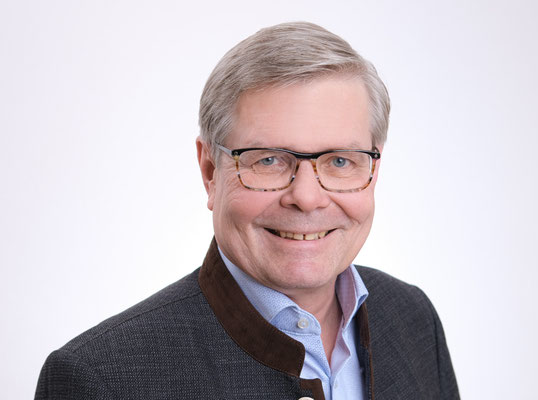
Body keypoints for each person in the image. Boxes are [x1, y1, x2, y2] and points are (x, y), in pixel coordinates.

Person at [35, 22, 459, 400]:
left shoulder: (412, 318)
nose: (307, 197)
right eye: (268, 160)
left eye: (340, 161)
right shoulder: (101, 381)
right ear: (210, 171)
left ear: (374, 169)